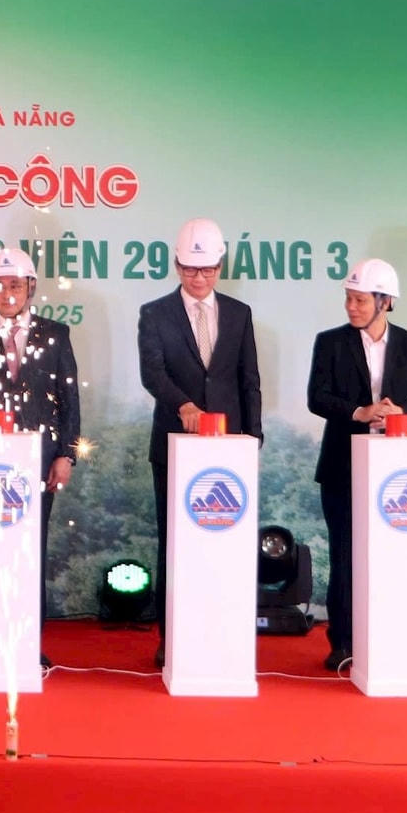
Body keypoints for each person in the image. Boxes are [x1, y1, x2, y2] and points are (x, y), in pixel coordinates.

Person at [137, 217, 263, 667]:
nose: (198, 277)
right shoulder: (155, 314)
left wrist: (253, 436)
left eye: (207, 269)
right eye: (190, 269)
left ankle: (222, 633)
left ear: (220, 268)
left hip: (229, 449)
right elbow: (153, 373)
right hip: (174, 444)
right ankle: (171, 638)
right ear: (176, 266)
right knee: (175, 543)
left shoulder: (239, 314)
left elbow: (249, 379)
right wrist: (183, 404)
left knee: (224, 543)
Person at [306, 258, 407, 671]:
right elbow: (317, 397)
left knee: (393, 556)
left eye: (360, 300)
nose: (351, 307)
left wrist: (402, 413)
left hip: (396, 470)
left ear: (385, 301)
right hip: (341, 467)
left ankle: (391, 637)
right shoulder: (330, 342)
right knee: (344, 556)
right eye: (348, 298)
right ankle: (343, 643)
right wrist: (359, 412)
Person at [0, 245, 78, 665]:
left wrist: (67, 455)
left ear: (31, 288)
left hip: (39, 461)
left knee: (30, 551)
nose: (6, 293)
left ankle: (27, 647)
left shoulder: (55, 334)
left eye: (15, 285)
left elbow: (69, 399)